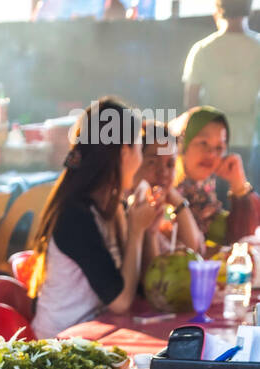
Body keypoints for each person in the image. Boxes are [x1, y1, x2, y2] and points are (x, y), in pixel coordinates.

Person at [30, 96, 160, 338]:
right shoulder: (75, 216)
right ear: (124, 152)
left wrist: (147, 232)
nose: (141, 160)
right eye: (139, 149)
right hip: (57, 345)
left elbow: (141, 289)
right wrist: (135, 231)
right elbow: (120, 301)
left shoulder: (111, 207)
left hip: (95, 334)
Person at [182, 0, 260, 164]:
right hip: (249, 137)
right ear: (249, 8)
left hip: (210, 140)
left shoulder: (202, 49)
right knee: (246, 188)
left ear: (218, 9)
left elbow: (191, 103)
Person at [175, 106, 260, 244]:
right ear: (183, 143)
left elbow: (244, 241)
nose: (211, 154)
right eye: (203, 143)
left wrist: (239, 185)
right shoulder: (163, 189)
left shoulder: (212, 193)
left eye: (219, 148)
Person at [135, 120, 204, 261]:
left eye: (170, 164)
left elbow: (195, 250)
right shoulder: (130, 212)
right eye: (152, 162)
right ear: (135, 160)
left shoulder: (164, 209)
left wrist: (175, 198)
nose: (163, 172)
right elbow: (153, 273)